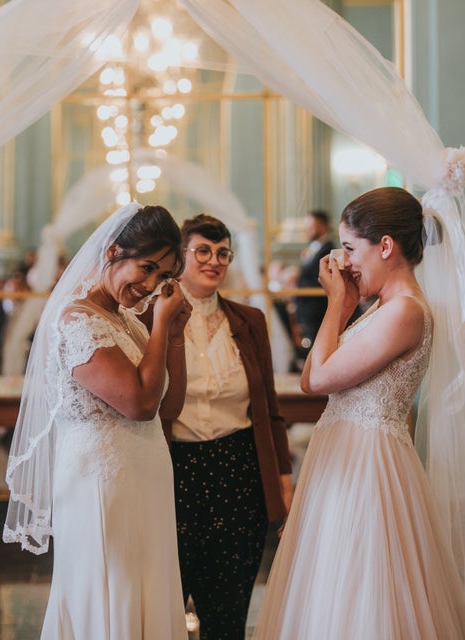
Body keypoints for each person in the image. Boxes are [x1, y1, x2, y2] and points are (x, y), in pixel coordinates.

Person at [254, 187, 465, 639]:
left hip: (369, 468)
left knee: (364, 589)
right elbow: (314, 375)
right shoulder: (381, 309)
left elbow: (316, 381)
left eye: (351, 248)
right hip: (344, 460)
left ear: (387, 246)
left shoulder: (405, 313)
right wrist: (348, 305)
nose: (345, 262)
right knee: (327, 588)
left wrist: (337, 302)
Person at [3, 202, 193, 639]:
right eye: (145, 267)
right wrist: (162, 324)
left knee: (144, 587)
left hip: (144, 477)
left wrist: (176, 336)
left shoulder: (127, 322)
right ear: (112, 252)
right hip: (101, 483)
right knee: (110, 591)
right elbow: (139, 403)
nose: (150, 285)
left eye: (163, 276)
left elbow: (170, 407)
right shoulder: (77, 320)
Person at [163, 214, 293, 640]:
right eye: (203, 250)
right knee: (165, 604)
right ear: (180, 255)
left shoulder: (249, 321)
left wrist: (284, 477)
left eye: (222, 253)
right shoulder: (152, 319)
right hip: (172, 472)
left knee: (229, 607)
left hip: (238, 475)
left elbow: (269, 408)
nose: (214, 261)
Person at [293, 209, 336, 353]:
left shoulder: (327, 250)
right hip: (308, 308)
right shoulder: (313, 248)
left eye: (312, 225)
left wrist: (296, 283)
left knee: (316, 349)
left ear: (323, 226)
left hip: (317, 308)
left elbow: (319, 280)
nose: (308, 229)